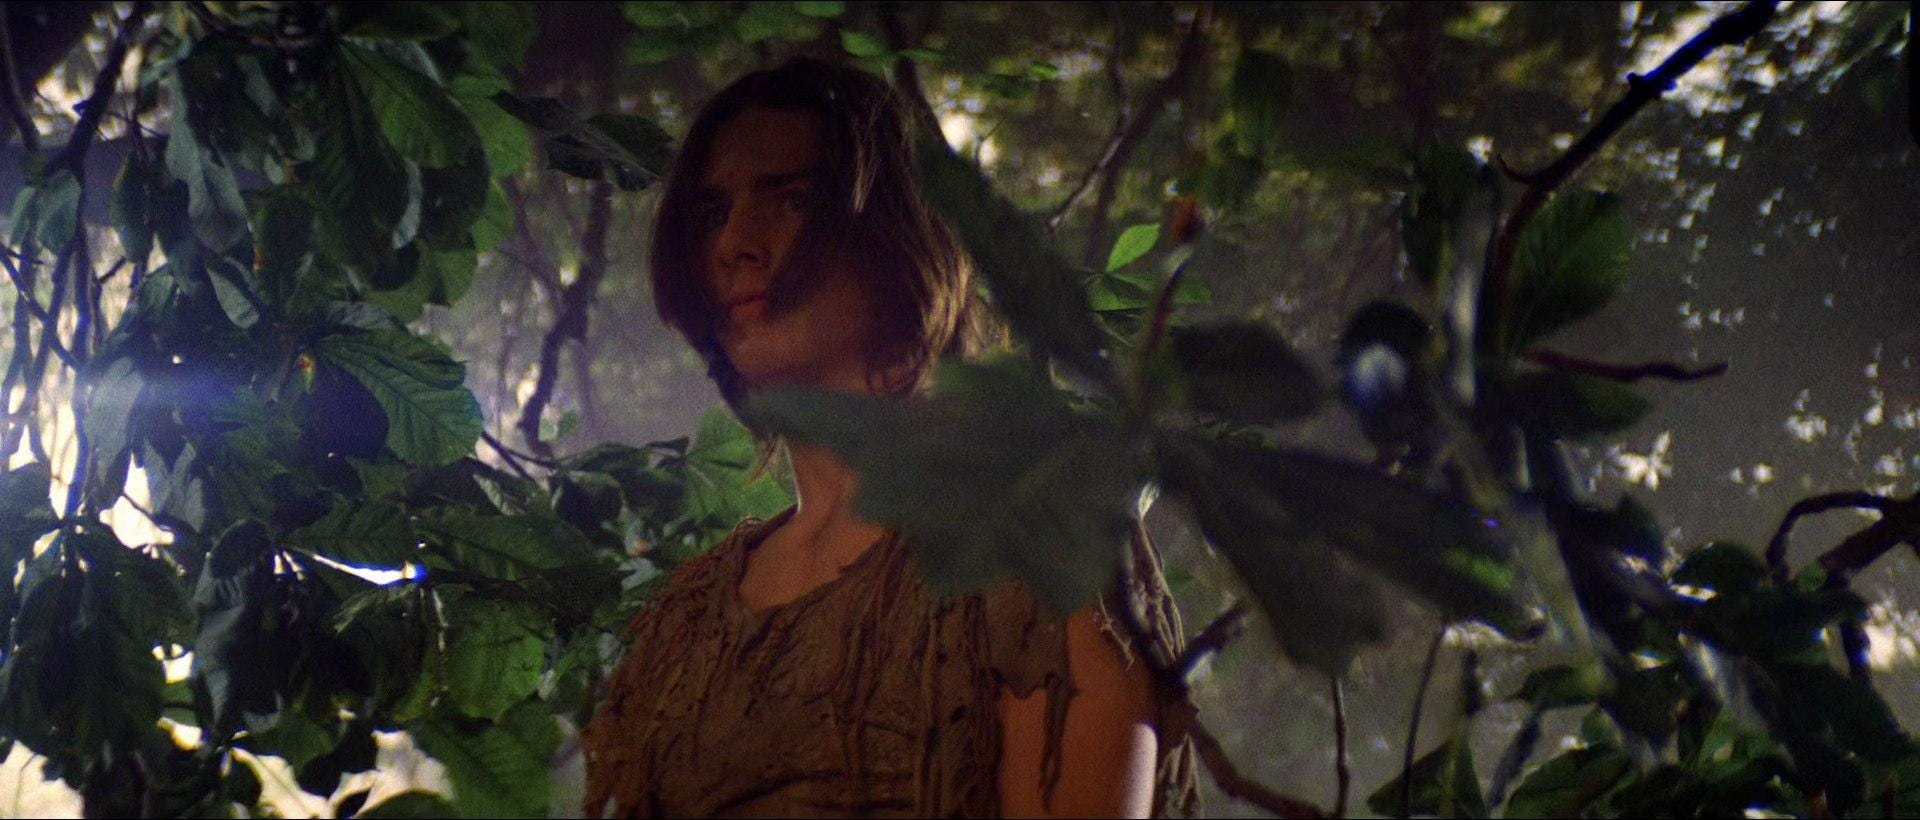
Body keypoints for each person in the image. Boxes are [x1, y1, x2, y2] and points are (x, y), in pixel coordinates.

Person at [580, 57, 1193, 818]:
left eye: (792, 199)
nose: (735, 241)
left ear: (893, 231)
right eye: (711, 214)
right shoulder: (683, 623)